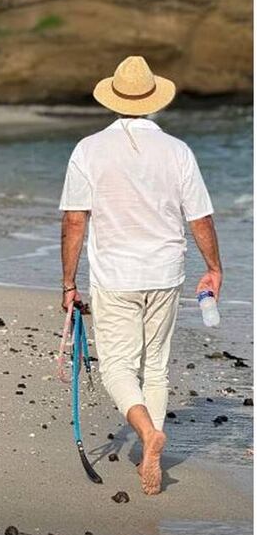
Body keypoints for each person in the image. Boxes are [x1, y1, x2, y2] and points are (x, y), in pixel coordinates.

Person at [59, 55, 222, 496]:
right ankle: (153, 444)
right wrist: (214, 268)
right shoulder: (178, 150)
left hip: (115, 273)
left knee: (116, 367)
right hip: (165, 271)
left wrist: (69, 283)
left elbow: (76, 221)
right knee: (155, 366)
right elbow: (200, 219)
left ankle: (148, 435)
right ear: (153, 100)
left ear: (114, 98)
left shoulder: (88, 150)